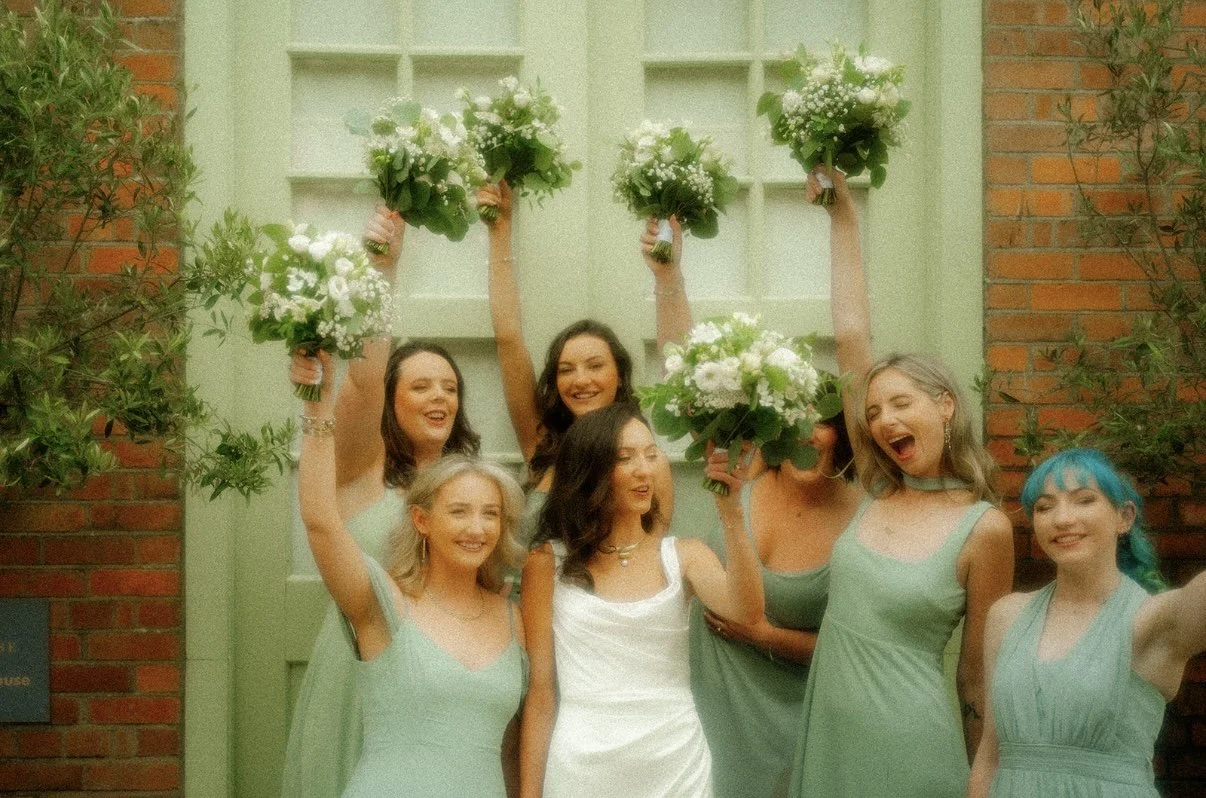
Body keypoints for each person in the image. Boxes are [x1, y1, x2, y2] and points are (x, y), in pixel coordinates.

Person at [787, 183, 1015, 795]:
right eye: (876, 408)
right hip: (830, 732)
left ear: (944, 406)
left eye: (903, 404)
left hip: (910, 745)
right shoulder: (878, 487)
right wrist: (842, 218)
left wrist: (983, 780)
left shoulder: (985, 528)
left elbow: (976, 677)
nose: (885, 420)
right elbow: (851, 337)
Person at [281, 211, 484, 798]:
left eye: (449, 387)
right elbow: (364, 382)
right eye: (420, 386)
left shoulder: (471, 489)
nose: (439, 396)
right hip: (360, 672)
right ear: (393, 404)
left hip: (444, 679)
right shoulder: (364, 473)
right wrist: (382, 271)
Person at [679, 170, 868, 797]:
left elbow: (868, 648)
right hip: (712, 712)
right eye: (798, 423)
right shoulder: (745, 479)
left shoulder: (867, 513)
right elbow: (683, 363)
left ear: (841, 432)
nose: (812, 436)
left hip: (807, 718)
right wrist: (667, 272)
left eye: (825, 424)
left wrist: (765, 635)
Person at [295, 349, 527, 796]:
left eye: (490, 514)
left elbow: (513, 744)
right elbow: (321, 521)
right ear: (422, 521)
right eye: (459, 512)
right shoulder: (386, 602)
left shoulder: (511, 618)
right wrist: (316, 401)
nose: (476, 528)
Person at [518, 403, 765, 798]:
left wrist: (731, 511)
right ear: (589, 469)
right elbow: (542, 692)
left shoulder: (684, 554)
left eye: (651, 455)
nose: (644, 470)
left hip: (673, 760)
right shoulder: (547, 563)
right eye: (625, 458)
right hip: (583, 763)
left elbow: (748, 613)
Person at [969, 448, 1206, 798]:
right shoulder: (1005, 616)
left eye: (1084, 500)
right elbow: (989, 756)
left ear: (1124, 517)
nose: (1062, 519)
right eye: (1045, 506)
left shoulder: (1154, 620)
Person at [477, 182, 675, 567]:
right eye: (566, 370)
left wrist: (667, 276)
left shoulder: (647, 461)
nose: (580, 380)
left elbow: (649, 567)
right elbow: (508, 339)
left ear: (620, 375)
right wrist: (500, 233)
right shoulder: (542, 442)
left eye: (595, 366)